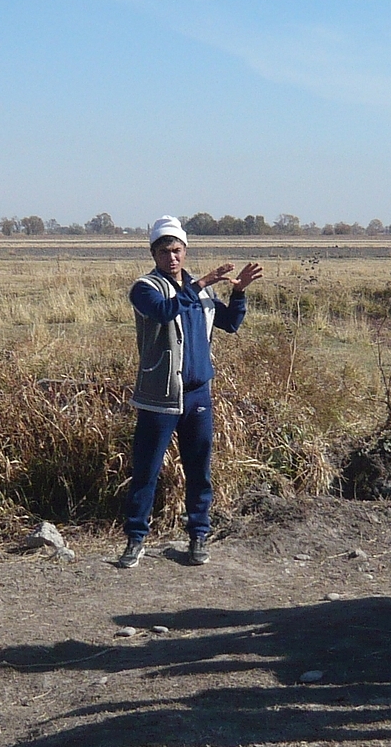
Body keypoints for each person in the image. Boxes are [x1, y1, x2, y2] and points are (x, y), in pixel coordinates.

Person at [116, 216, 262, 569]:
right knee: (146, 471)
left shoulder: (203, 290)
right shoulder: (145, 288)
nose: (172, 258)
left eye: (177, 250)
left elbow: (229, 324)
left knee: (199, 469)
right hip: (160, 397)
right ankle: (135, 539)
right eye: (165, 251)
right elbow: (165, 311)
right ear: (153, 253)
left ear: (185, 250)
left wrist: (238, 291)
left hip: (198, 394)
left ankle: (198, 535)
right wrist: (203, 281)